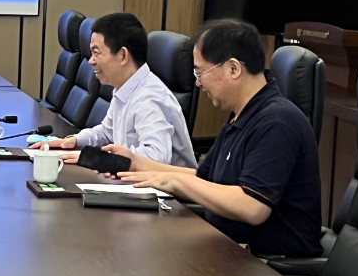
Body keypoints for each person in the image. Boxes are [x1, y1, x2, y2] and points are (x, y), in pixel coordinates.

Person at [106, 19, 323, 257]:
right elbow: (204, 179)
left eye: (200, 72)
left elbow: (252, 207)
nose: (198, 82)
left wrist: (177, 182)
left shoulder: (276, 121)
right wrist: (136, 162)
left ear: (233, 68)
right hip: (227, 247)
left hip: (265, 263)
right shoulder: (241, 115)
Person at [33, 13, 197, 168]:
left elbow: (156, 157)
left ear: (123, 56)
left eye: (96, 53)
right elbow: (107, 132)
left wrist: (96, 158)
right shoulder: (126, 87)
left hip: (166, 188)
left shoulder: (149, 98)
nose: (91, 61)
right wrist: (73, 140)